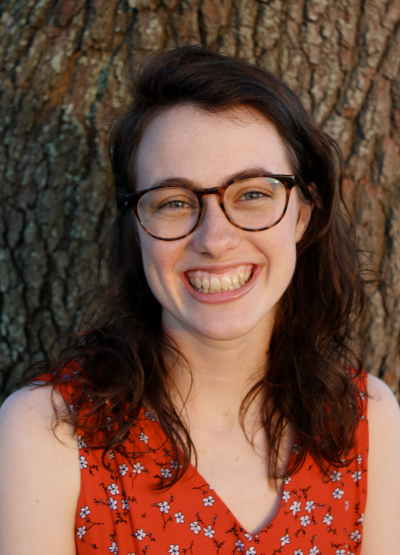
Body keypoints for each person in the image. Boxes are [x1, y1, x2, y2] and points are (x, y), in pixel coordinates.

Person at [0, 46, 399, 555]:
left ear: (303, 213)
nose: (215, 238)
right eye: (173, 202)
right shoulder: (49, 433)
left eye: (253, 193)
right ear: (136, 228)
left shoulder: (366, 422)